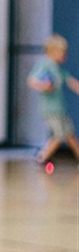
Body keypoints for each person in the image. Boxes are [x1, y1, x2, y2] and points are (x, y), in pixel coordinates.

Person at [27, 34, 79, 166]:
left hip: (60, 108)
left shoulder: (58, 68)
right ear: (53, 51)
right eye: (63, 52)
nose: (65, 55)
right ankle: (42, 157)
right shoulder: (44, 64)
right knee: (59, 134)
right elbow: (32, 80)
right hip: (50, 109)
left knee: (69, 134)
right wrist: (44, 86)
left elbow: (70, 81)